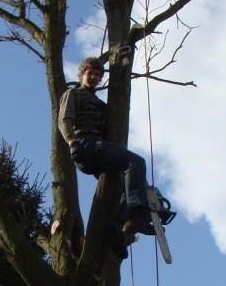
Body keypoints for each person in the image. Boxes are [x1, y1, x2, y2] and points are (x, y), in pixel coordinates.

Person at [58, 56, 157, 238]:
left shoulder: (102, 106)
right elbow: (64, 120)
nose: (94, 77)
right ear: (81, 75)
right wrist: (72, 142)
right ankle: (136, 214)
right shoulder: (73, 94)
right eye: (90, 73)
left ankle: (117, 227)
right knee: (136, 162)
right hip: (86, 145)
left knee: (122, 185)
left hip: (98, 151)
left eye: (97, 75)